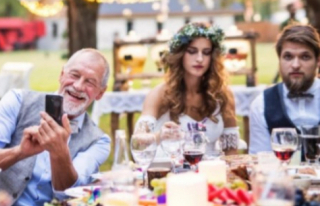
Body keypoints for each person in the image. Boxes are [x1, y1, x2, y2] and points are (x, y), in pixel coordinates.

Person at [0, 48, 111, 206]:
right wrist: (20, 152)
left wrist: (59, 152)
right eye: (74, 75)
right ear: (61, 75)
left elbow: (68, 194)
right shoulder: (18, 101)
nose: (78, 86)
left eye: (90, 82)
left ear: (100, 93)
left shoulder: (99, 141)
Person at [133, 22, 240, 158]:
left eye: (206, 53)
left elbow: (231, 151)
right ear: (180, 54)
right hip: (170, 174)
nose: (200, 59)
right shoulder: (160, 94)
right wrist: (160, 135)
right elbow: (137, 142)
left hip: (211, 174)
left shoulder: (222, 95)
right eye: (192, 51)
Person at [249, 24, 320, 154]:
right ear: (279, 60)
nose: (295, 65)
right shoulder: (262, 105)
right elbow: (259, 162)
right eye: (288, 57)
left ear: (318, 61)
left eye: (305, 57)